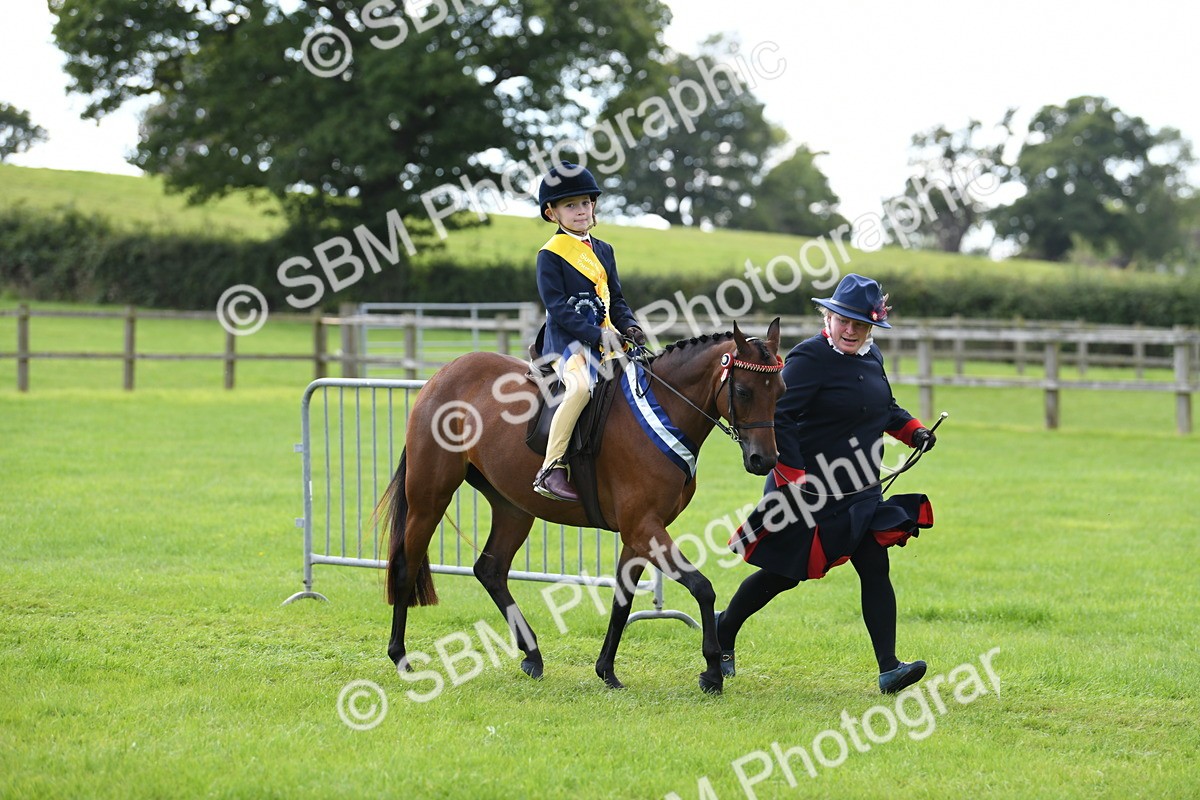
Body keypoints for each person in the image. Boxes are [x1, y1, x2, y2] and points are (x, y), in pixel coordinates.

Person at [719, 273, 938, 694]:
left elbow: (884, 407)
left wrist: (914, 431)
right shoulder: (809, 358)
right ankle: (724, 630)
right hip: (806, 492)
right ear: (829, 316)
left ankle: (889, 668)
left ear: (872, 327)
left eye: (860, 323)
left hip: (861, 490)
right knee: (781, 576)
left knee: (875, 567)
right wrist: (795, 476)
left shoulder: (871, 358)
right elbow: (780, 415)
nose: (851, 330)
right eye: (844, 320)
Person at [531, 162, 648, 502]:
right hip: (566, 344)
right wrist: (597, 336)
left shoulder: (604, 251)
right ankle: (551, 467)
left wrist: (630, 325)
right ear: (552, 213)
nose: (581, 211)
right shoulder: (550, 255)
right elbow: (559, 308)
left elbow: (616, 299)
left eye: (585, 203)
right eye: (570, 205)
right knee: (582, 388)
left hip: (608, 339)